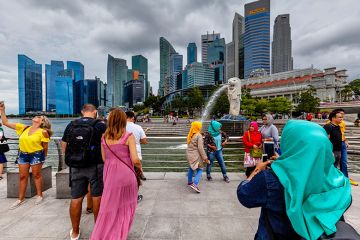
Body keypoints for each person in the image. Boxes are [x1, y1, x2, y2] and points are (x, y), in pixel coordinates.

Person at [237, 120, 352, 240]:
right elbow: (307, 169)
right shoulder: (339, 180)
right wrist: (285, 161)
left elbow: (245, 196)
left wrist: (256, 171)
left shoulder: (270, 179)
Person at [90, 108, 141, 240]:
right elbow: (135, 159)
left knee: (109, 204)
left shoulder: (104, 137)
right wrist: (140, 168)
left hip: (110, 174)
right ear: (123, 120)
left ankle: (106, 232)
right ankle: (119, 233)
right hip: (126, 174)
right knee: (126, 205)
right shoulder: (128, 136)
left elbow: (103, 158)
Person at [62, 104, 106, 240]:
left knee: (76, 198)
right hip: (96, 165)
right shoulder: (100, 125)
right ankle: (98, 231)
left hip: (76, 166)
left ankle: (75, 232)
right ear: (95, 112)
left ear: (82, 112)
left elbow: (64, 145)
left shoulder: (71, 125)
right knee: (97, 196)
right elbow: (107, 143)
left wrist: (75, 157)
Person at [0, 102, 52, 209]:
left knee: (37, 175)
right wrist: (2, 110)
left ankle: (39, 195)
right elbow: (5, 123)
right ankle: (21, 199)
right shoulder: (24, 128)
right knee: (22, 176)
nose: (36, 117)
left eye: (39, 117)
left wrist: (43, 157)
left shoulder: (43, 132)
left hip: (37, 155)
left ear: (42, 121)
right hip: (22, 155)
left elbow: (45, 147)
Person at [327, 109, 358, 186]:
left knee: (343, 161)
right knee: (333, 164)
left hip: (341, 144)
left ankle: (344, 178)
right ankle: (331, 180)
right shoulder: (329, 125)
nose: (342, 117)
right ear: (334, 117)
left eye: (342, 116)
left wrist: (345, 140)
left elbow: (342, 134)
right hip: (334, 147)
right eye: (340, 116)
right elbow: (327, 138)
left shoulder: (341, 124)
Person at [126, 111, 148, 202]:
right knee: (135, 175)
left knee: (125, 175)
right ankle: (135, 195)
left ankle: (125, 195)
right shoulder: (138, 127)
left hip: (123, 155)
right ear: (133, 118)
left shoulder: (119, 127)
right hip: (136, 154)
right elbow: (144, 141)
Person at [186, 121, 209, 193]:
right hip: (195, 155)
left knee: (191, 167)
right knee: (200, 169)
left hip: (189, 154)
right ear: (198, 127)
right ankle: (195, 184)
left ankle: (190, 182)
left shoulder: (190, 134)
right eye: (200, 126)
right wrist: (205, 158)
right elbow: (200, 148)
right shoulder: (198, 135)